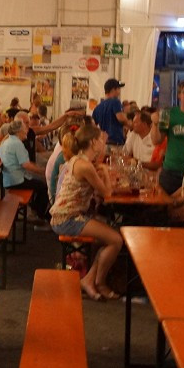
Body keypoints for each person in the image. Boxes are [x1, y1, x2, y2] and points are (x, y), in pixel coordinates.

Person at [49, 126, 122, 300]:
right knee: (116, 240)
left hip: (68, 215)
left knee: (108, 236)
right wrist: (104, 172)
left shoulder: (79, 160)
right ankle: (100, 283)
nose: (104, 142)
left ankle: (89, 280)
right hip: (67, 219)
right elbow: (107, 194)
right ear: (93, 142)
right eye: (101, 140)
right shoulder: (85, 166)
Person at [0, 118, 50, 222]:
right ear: (19, 131)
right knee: (43, 186)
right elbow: (26, 165)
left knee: (38, 183)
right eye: (25, 128)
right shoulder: (17, 144)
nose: (27, 131)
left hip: (8, 179)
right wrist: (43, 171)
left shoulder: (7, 141)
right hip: (17, 180)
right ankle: (40, 214)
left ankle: (35, 208)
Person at [92, 78, 129, 146]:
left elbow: (92, 125)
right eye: (118, 89)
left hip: (103, 143)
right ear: (113, 90)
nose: (119, 92)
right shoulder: (116, 102)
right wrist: (130, 125)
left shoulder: (98, 107)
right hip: (116, 141)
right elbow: (121, 118)